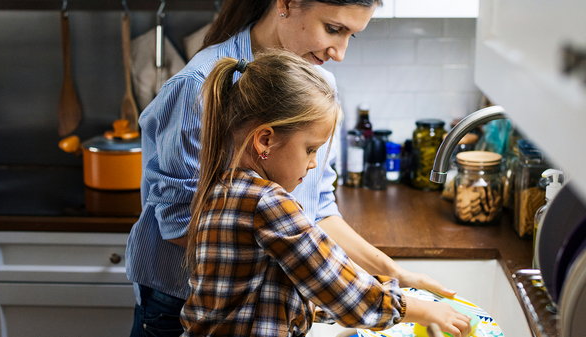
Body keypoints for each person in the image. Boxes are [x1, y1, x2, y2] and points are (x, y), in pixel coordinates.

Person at [126, 0, 458, 336]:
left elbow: (318, 211)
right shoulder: (197, 85)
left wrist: (395, 274)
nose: (340, 52)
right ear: (286, 4)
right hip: (179, 304)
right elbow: (180, 223)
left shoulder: (317, 87)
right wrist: (313, 272)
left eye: (351, 37)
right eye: (333, 29)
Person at [180, 50, 471, 337]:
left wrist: (388, 285)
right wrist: (422, 310)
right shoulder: (266, 202)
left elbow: (288, 291)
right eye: (310, 149)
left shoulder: (223, 187)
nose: (314, 162)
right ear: (265, 140)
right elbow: (339, 287)